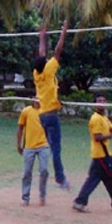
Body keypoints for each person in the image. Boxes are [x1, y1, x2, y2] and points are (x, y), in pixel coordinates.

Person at [72, 94, 112, 213]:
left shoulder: (105, 118)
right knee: (106, 180)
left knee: (107, 180)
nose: (102, 103)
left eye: (104, 100)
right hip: (101, 155)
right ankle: (81, 201)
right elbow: (98, 137)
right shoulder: (96, 118)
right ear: (95, 104)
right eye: (99, 101)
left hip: (105, 155)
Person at [33, 19, 70, 189]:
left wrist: (42, 36)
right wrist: (63, 31)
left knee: (49, 148)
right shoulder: (48, 70)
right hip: (51, 116)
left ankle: (46, 173)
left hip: (42, 116)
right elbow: (58, 50)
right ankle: (60, 178)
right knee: (56, 149)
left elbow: (42, 54)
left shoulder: (37, 73)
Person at [17, 99, 50, 206]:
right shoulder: (26, 111)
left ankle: (42, 195)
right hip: (29, 146)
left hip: (43, 145)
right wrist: (19, 144)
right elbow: (20, 128)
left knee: (44, 170)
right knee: (27, 172)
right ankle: (25, 197)